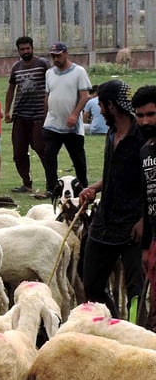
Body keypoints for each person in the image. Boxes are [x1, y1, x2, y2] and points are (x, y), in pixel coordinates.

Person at [76, 80, 145, 320]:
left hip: (133, 226)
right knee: (92, 283)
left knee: (135, 289)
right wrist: (93, 188)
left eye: (102, 106)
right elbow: (112, 174)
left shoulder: (142, 137)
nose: (100, 110)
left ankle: (137, 335)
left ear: (111, 105)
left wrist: (143, 220)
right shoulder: (111, 132)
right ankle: (113, 324)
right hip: (104, 221)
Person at [38, 42, 91, 199]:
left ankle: (83, 187)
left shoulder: (78, 72)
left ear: (66, 54)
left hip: (71, 126)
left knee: (77, 158)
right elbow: (47, 96)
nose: (56, 59)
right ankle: (52, 188)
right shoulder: (49, 73)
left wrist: (75, 114)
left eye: (58, 55)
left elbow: (84, 96)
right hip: (52, 123)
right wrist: (45, 115)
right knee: (49, 156)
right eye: (53, 56)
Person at [4, 36, 50, 194]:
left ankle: (51, 181)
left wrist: (48, 109)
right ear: (18, 51)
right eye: (22, 49)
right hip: (20, 114)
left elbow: (51, 85)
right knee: (18, 152)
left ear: (32, 48)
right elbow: (11, 89)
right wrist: (7, 110)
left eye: (27, 48)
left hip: (39, 114)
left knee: (40, 148)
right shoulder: (16, 67)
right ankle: (26, 182)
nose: (25, 52)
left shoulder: (43, 64)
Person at [133, 85, 156, 330]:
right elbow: (148, 200)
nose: (145, 121)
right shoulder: (145, 151)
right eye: (140, 116)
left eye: (151, 114)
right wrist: (145, 247)